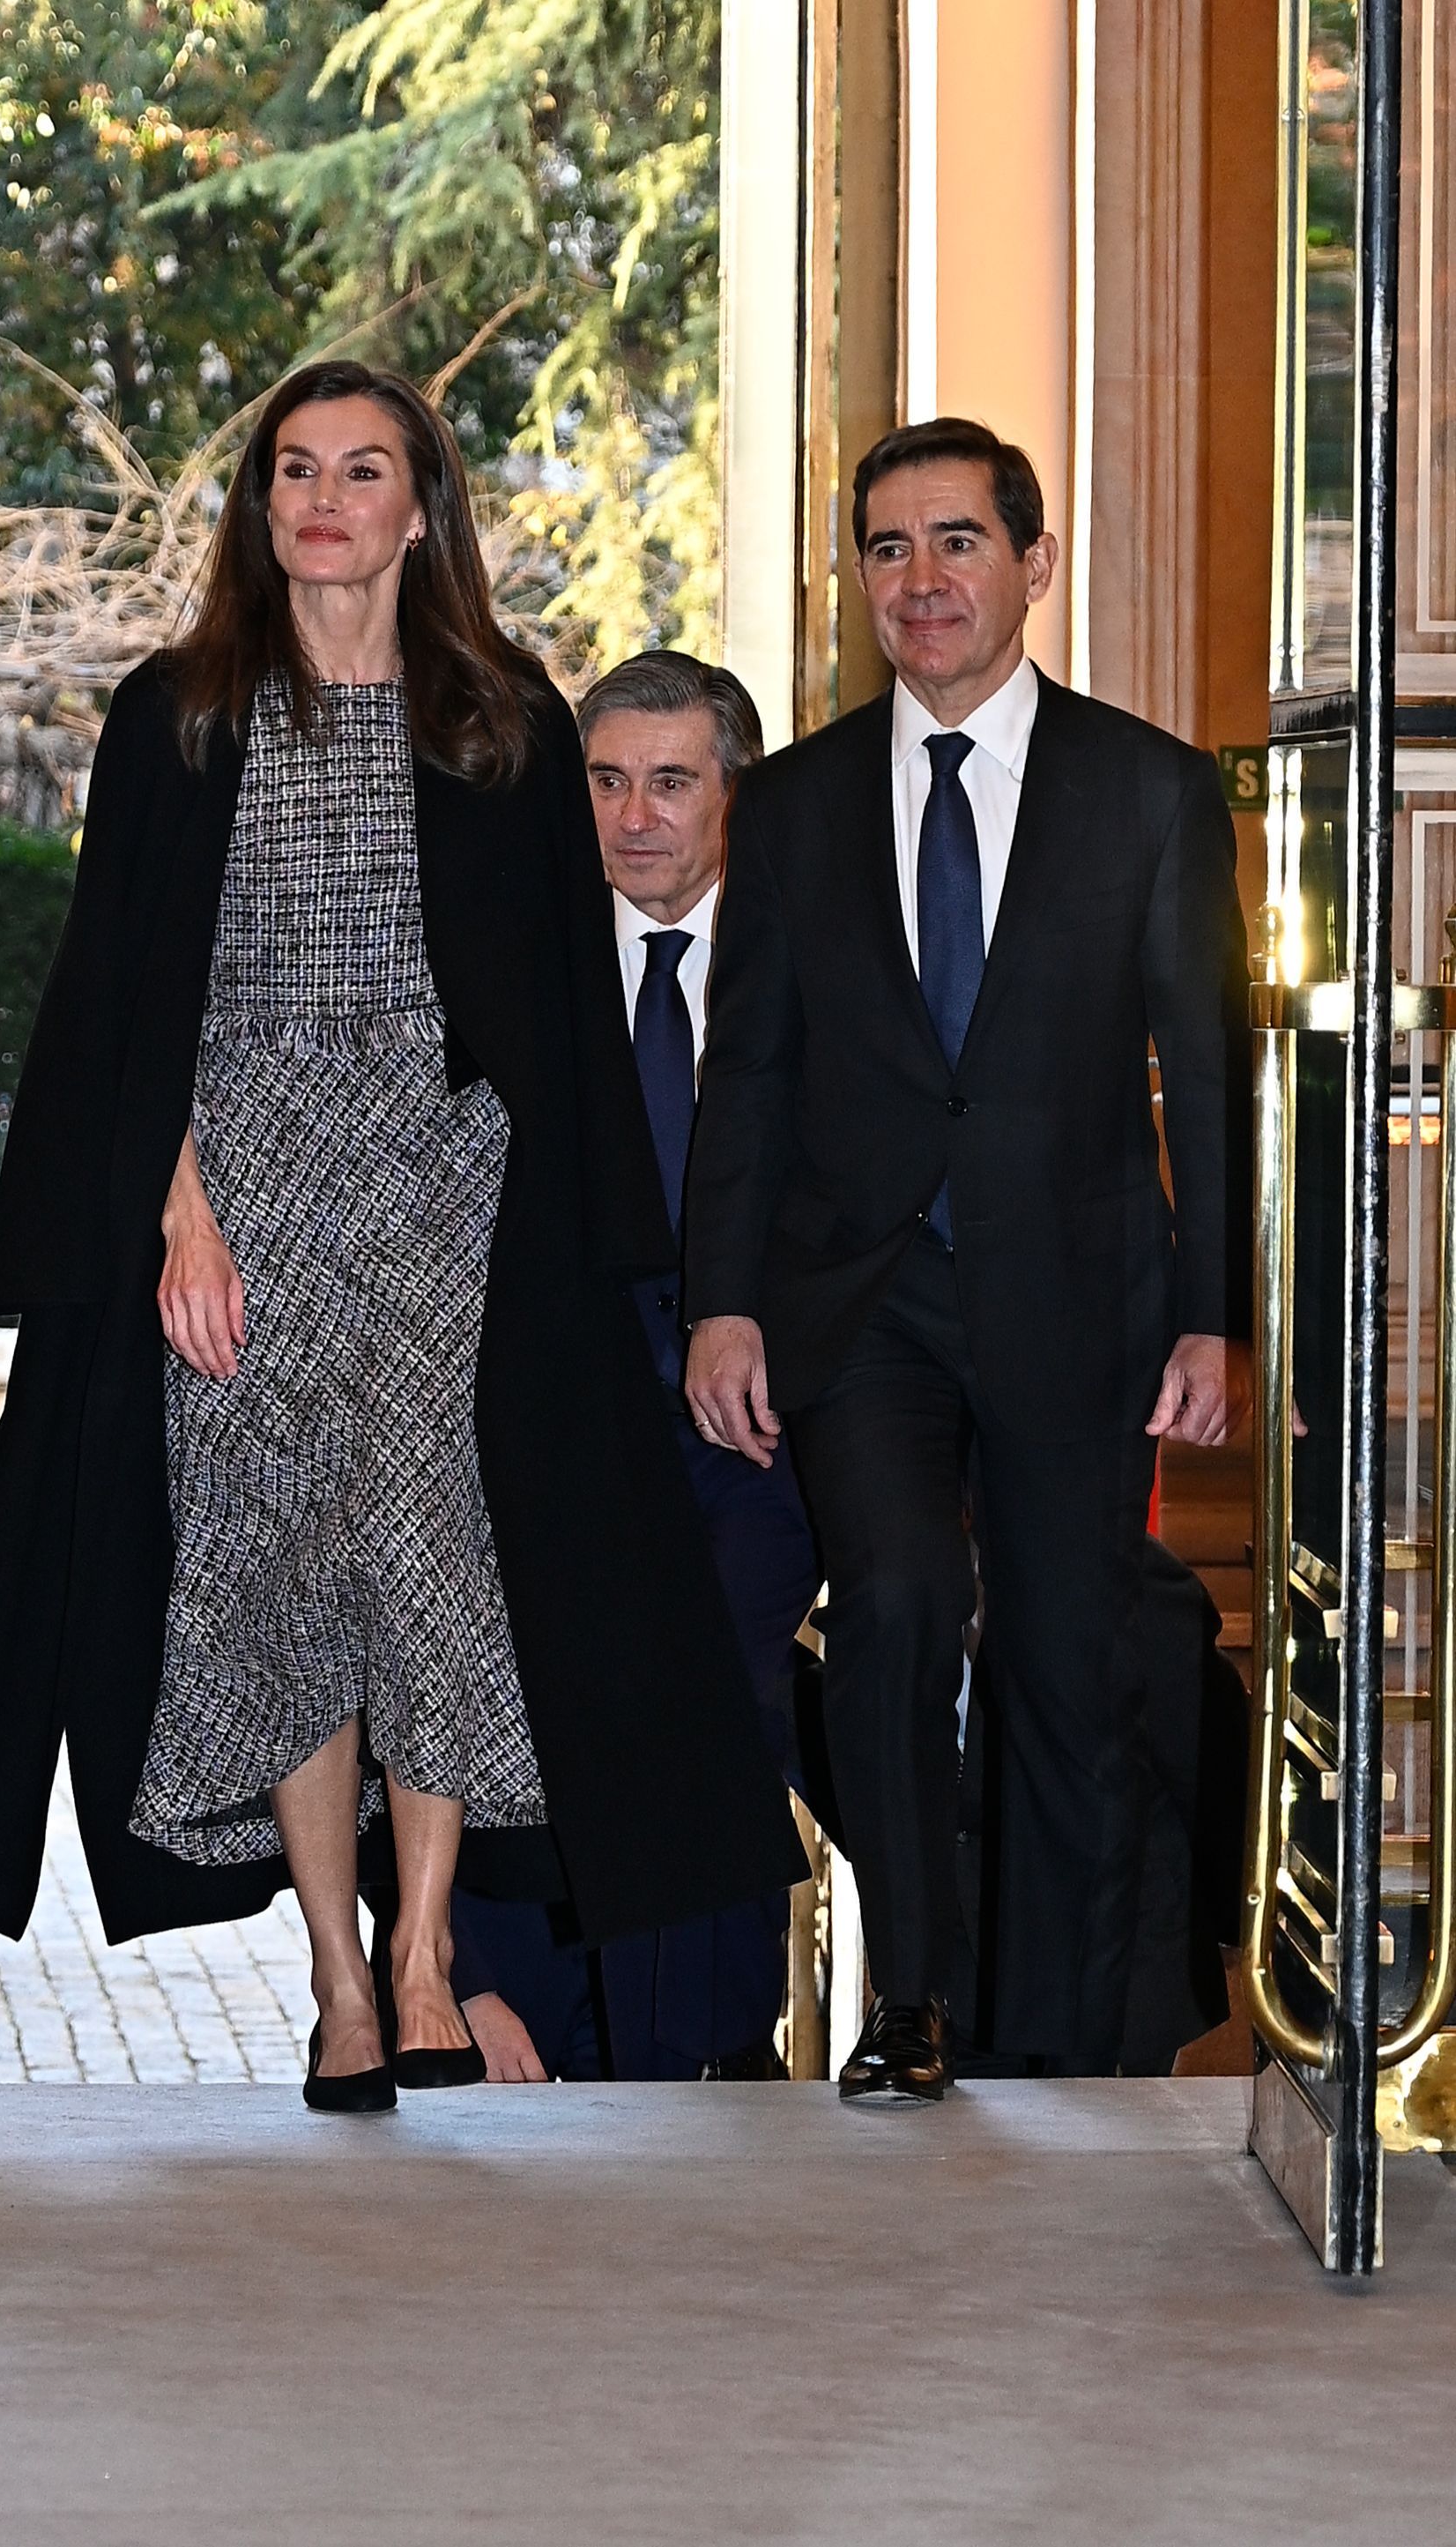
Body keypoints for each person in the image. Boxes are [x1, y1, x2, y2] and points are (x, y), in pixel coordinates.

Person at [0, 361, 807, 2111]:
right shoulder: (179, 714)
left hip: (449, 1190)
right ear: (261, 504)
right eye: (296, 468)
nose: (326, 497)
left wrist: (554, 1248)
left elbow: (552, 1018)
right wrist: (172, 1214)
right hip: (237, 1194)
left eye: (363, 468)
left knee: (432, 1554)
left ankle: (429, 1954)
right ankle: (339, 1978)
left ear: (419, 505)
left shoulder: (500, 715)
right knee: (278, 1566)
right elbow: (124, 1005)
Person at [684, 417, 1249, 2097]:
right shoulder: (784, 808)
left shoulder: (1149, 791)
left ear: (1031, 563)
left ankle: (1070, 2027)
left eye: (954, 543)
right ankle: (911, 1996)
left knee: (1072, 1649)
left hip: (1082, 1297)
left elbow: (1205, 1077)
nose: (919, 580)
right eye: (886, 548)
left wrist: (1215, 1319)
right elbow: (751, 1074)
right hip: (863, 1298)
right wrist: (724, 1299)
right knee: (901, 1599)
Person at [449, 651, 819, 2083]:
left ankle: (693, 2062)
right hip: (546, 1422)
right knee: (521, 1719)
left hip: (752, 1437)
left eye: (673, 780)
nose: (636, 816)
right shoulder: (511, 971)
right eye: (605, 780)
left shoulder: (811, 963)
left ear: (737, 793)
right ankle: (516, 2027)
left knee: (714, 1730)